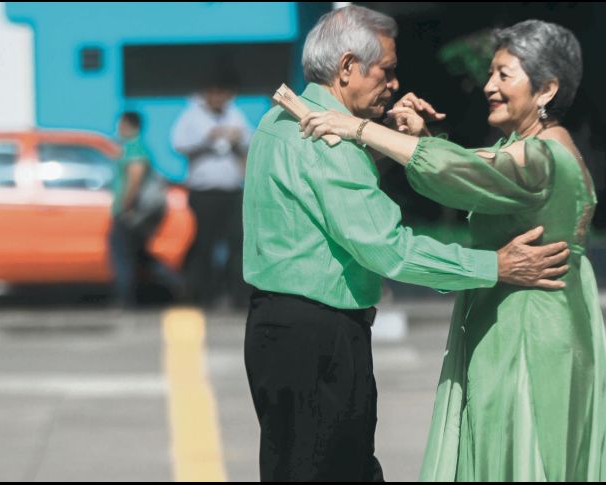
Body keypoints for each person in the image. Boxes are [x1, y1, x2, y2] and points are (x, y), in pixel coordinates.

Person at [244, 7, 570, 482]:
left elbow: (332, 199)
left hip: (277, 330)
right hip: (319, 338)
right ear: (348, 67)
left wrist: (387, 142)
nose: (395, 84)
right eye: (388, 70)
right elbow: (389, 248)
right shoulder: (325, 138)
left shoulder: (280, 120)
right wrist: (495, 266)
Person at [171, 72, 253, 309]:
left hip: (231, 191)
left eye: (223, 93)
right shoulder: (192, 117)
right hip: (203, 192)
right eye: (214, 92)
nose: (219, 97)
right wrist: (208, 138)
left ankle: (238, 296)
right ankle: (202, 296)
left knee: (237, 243)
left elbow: (250, 141)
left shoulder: (235, 115)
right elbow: (178, 144)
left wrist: (236, 138)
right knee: (203, 244)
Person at [109, 111, 183, 308]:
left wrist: (125, 205)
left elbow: (135, 176)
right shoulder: (134, 147)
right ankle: (177, 286)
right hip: (136, 212)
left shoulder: (134, 147)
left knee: (123, 254)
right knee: (139, 255)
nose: (117, 129)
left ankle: (126, 300)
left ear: (127, 124)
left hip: (130, 211)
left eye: (120, 124)